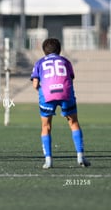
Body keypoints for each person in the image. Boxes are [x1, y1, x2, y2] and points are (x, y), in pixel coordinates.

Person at [30, 38, 91, 169]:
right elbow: (70, 78)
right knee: (73, 123)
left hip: (47, 95)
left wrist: (42, 90)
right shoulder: (66, 61)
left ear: (44, 51)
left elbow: (35, 84)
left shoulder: (39, 62)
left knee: (46, 126)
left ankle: (48, 160)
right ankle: (80, 156)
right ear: (59, 50)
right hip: (66, 93)